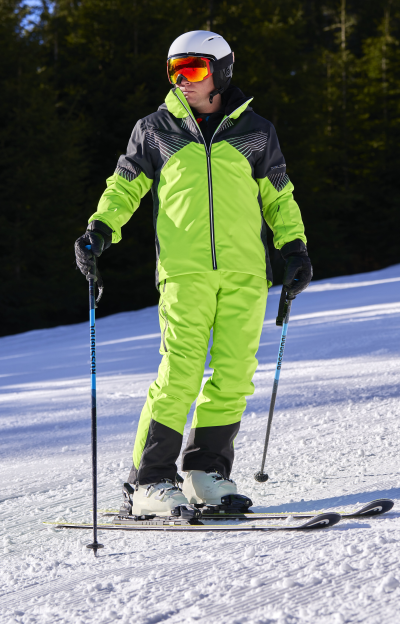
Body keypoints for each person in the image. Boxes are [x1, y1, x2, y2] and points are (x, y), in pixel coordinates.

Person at [74, 31, 313, 518]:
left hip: (246, 272)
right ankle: (149, 480)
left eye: (194, 69)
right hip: (184, 272)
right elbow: (124, 187)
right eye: (175, 70)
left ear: (221, 71)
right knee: (179, 373)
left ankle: (206, 470)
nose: (183, 80)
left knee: (234, 375)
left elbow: (279, 196)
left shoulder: (257, 132)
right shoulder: (155, 130)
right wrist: (99, 229)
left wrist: (294, 247)